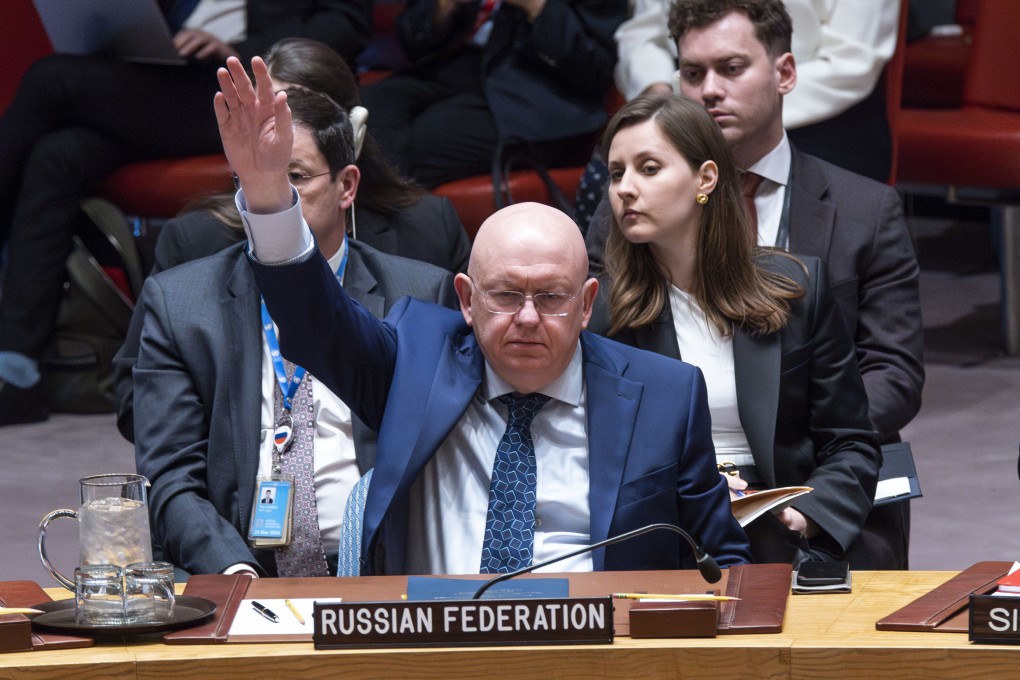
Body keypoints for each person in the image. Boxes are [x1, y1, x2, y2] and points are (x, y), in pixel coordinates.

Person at [218, 55, 753, 575]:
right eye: (503, 296)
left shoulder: (666, 396)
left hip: (594, 647)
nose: (525, 318)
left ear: (587, 304)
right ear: (466, 300)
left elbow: (722, 564)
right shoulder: (416, 364)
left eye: (550, 297)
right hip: (435, 646)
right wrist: (267, 194)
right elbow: (314, 322)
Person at [586, 0, 922, 568]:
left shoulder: (866, 210)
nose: (709, 91)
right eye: (692, 74)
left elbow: (894, 369)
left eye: (731, 69)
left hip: (815, 464)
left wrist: (796, 454)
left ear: (786, 73)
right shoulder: (625, 213)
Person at [129, 86, 457, 577]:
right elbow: (171, 477)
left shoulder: (418, 295)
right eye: (256, 180)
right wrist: (236, 578)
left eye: (295, 177)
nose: (274, 194)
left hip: (375, 570)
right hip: (237, 566)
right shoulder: (180, 304)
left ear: (347, 186)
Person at [0, 0, 372, 426]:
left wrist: (236, 49)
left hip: (241, 81)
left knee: (50, 80)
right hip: (162, 72)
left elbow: (345, 24)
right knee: (58, 156)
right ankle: (18, 369)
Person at [150, 37, 471, 278]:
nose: (282, 141)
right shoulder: (194, 240)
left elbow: (465, 356)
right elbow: (142, 366)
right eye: (269, 122)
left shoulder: (430, 227)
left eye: (308, 118)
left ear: (354, 132)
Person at [612, 0, 900, 181]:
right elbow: (644, 33)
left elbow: (853, 60)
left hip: (823, 122)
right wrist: (666, 97)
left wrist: (748, 101)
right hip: (690, 107)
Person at [358, 0, 626, 187]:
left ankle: (394, 248)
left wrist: (536, 6)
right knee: (365, 109)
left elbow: (595, 71)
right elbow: (412, 37)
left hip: (541, 94)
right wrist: (444, 6)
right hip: (456, 66)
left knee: (419, 141)